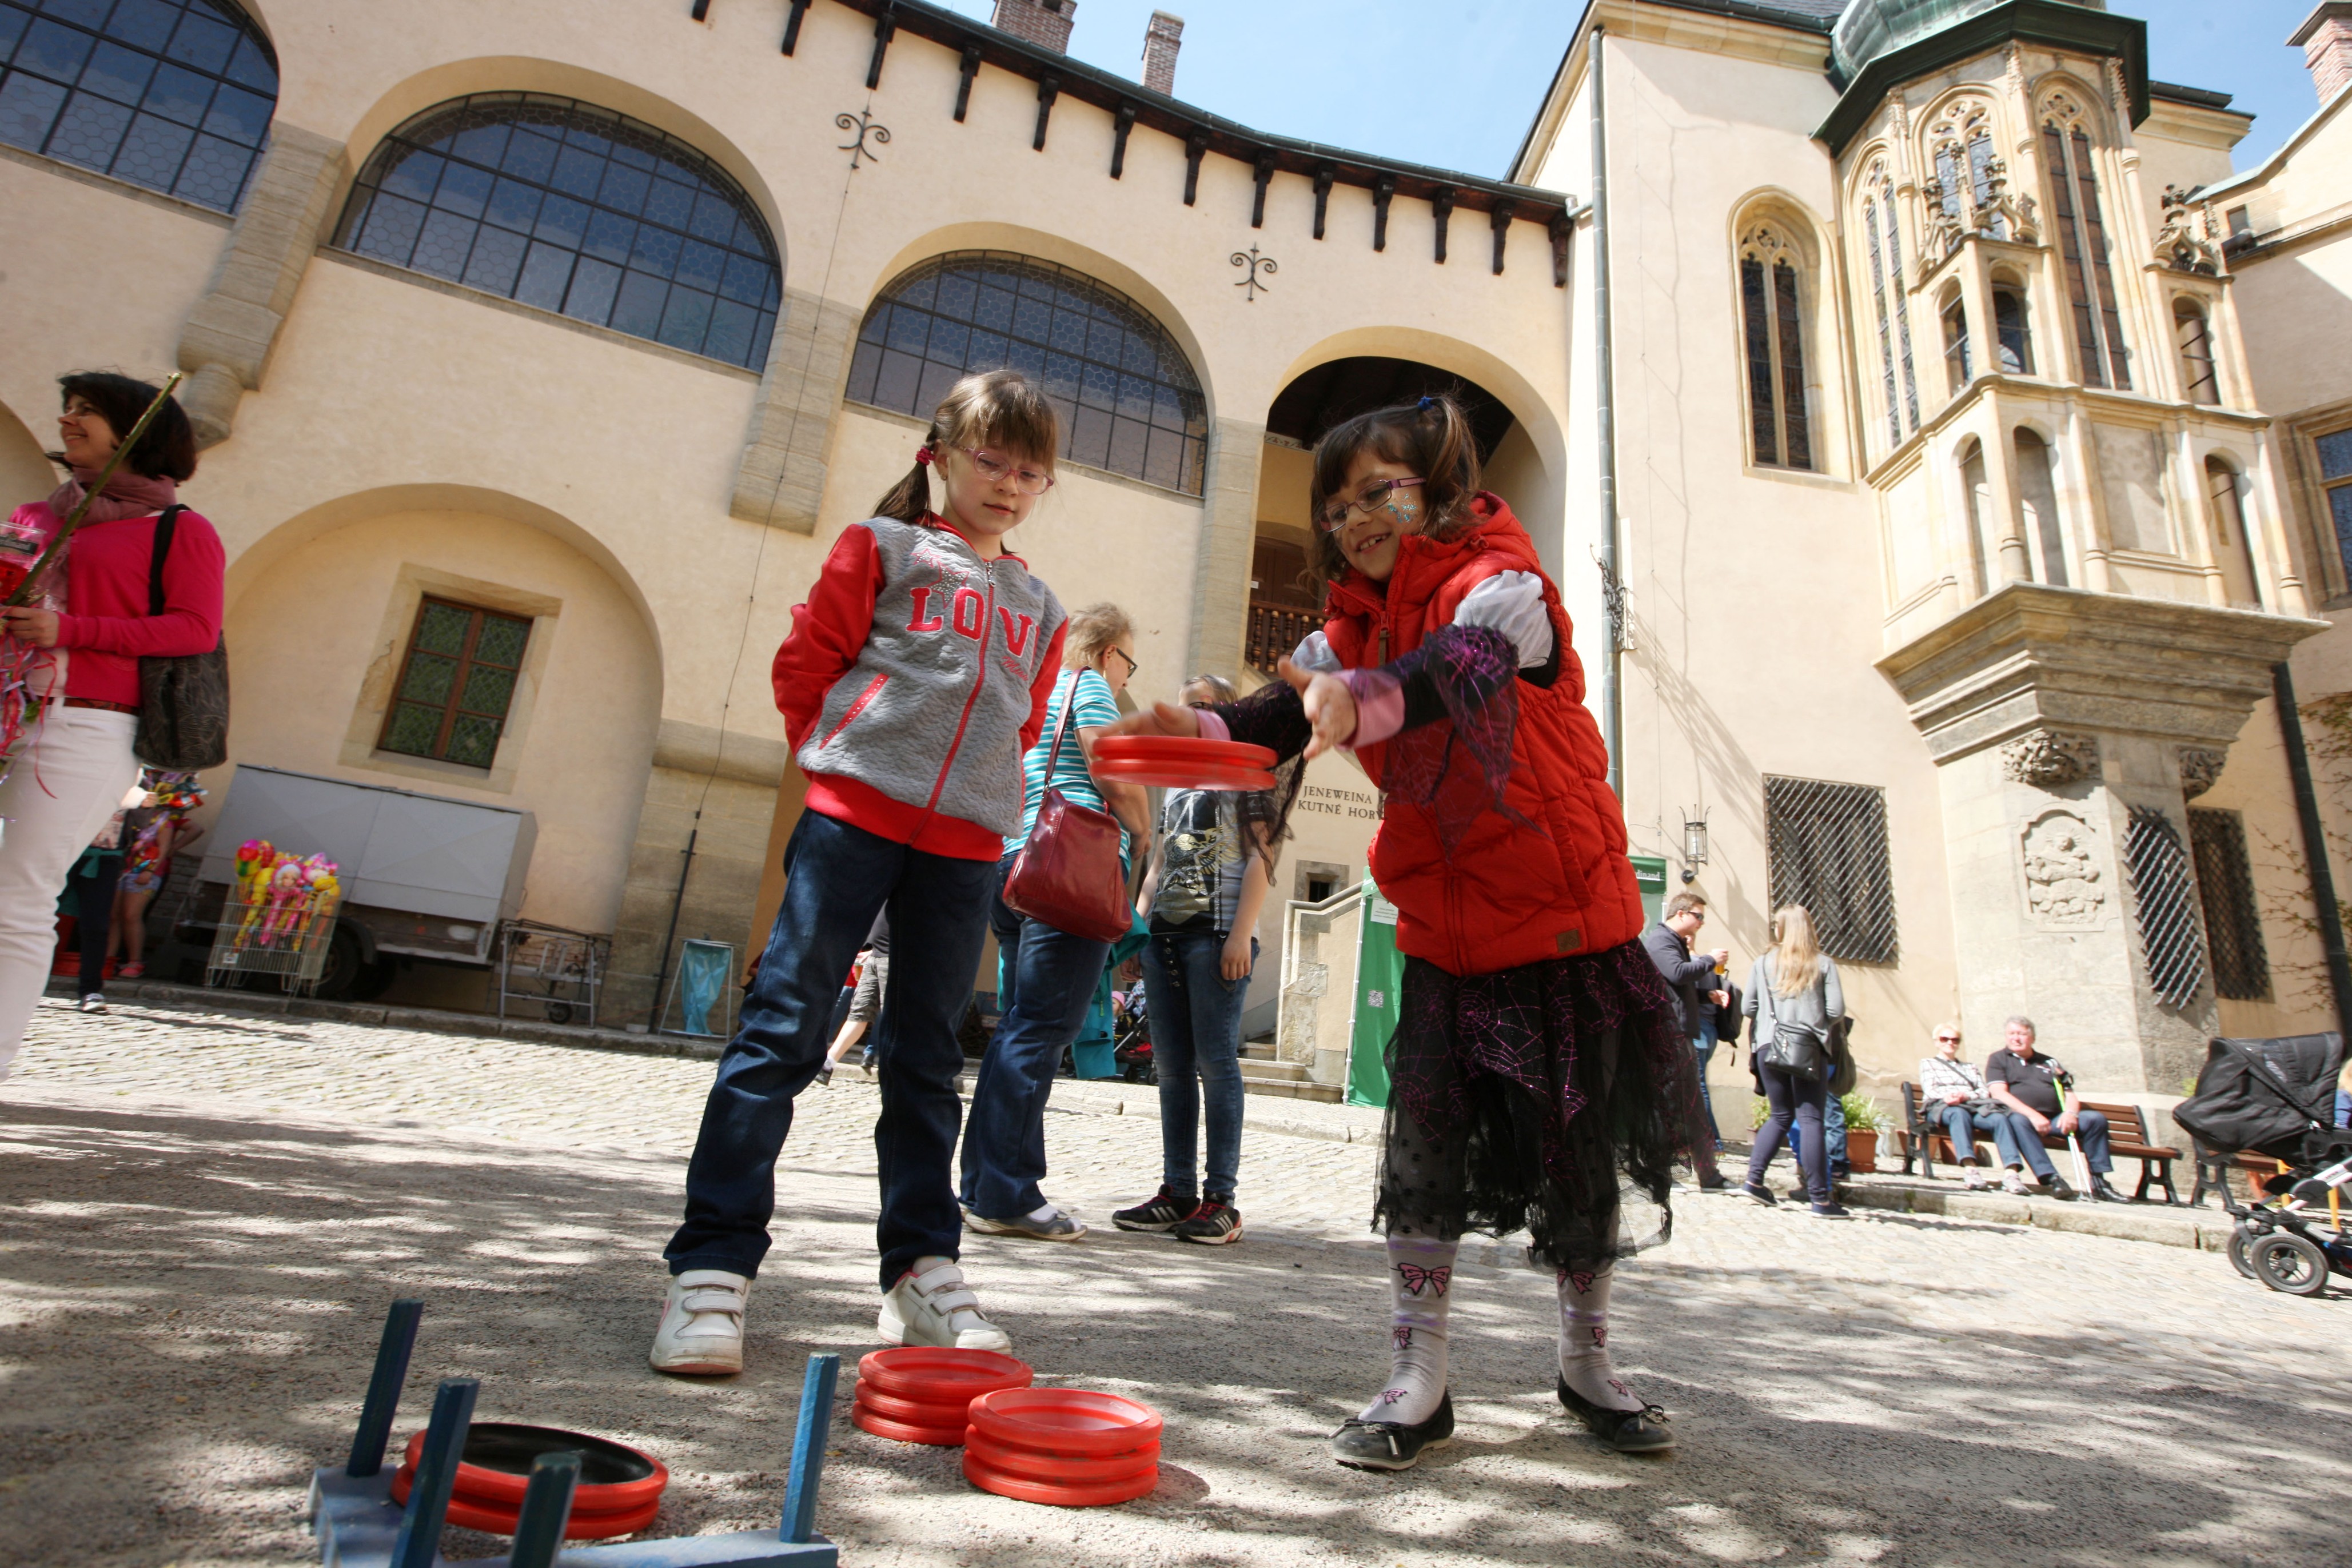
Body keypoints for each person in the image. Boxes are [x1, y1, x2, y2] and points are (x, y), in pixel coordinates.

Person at [1105, 393, 1699, 1466]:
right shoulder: (1345, 633)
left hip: (1567, 928)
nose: (1355, 519)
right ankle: (1416, 1377)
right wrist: (1193, 726)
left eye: (1377, 489)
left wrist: (1362, 700)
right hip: (1443, 935)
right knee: (1422, 1159)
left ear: (1439, 485)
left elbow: (1460, 669)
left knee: (1576, 1164)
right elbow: (1272, 718)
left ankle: (1587, 1363)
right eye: (1335, 508)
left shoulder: (1505, 584)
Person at [651, 370, 1071, 1377]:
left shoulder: (1042, 604)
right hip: (850, 823)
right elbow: (806, 664)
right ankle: (711, 1266)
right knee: (782, 1030)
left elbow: (1020, 723)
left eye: (1030, 472)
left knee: (926, 1060)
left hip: (964, 849)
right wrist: (836, 761)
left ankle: (920, 1270)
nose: (1008, 484)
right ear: (941, 454)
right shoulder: (879, 547)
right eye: (991, 460)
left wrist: (975, 796)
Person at [0, 373, 222, 1078]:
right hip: (10, 709)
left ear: (137, 432)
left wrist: (71, 629)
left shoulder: (178, 530)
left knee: (19, 896)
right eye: (67, 407)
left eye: (88, 411)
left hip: (86, 728)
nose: (68, 419)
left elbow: (193, 629)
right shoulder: (37, 516)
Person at [958, 601, 1150, 1240]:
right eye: (1128, 662)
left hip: (1014, 863)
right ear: (1107, 653)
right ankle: (1007, 1194)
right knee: (1041, 1030)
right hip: (1068, 872)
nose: (1125, 676)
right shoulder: (1090, 687)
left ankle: (983, 1184)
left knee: (1018, 1027)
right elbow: (1108, 768)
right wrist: (1143, 829)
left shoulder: (1038, 691)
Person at [1112, 673, 1280, 1246]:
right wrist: (1139, 928)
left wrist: (1240, 935)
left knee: (1216, 1063)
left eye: (1206, 707)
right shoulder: (1178, 783)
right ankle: (1178, 1192)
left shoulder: (1251, 774)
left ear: (1229, 713)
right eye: (1188, 709)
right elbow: (1159, 862)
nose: (1194, 718)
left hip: (1217, 938)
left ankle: (1221, 1200)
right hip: (1165, 939)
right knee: (1172, 1067)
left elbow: (1262, 858)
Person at [1740, 905, 1847, 1218]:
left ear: (1781, 928)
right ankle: (1820, 1199)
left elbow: (1748, 1008)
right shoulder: (1823, 964)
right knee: (1811, 1118)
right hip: (1807, 1048)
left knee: (1780, 1114)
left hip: (1769, 1046)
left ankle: (1754, 1181)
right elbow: (1836, 1010)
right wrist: (1810, 1020)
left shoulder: (1763, 963)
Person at [1640, 892, 1731, 1189]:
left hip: (1679, 1032)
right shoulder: (1660, 941)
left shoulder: (1674, 942)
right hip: (1671, 1033)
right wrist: (1710, 960)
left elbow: (1677, 986)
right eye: (1698, 916)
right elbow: (1678, 974)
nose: (1701, 922)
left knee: (1686, 1106)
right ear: (1680, 914)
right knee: (1674, 1105)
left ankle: (1703, 1174)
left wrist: (1706, 995)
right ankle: (1661, 1171)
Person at [1983, 1016, 2122, 1202]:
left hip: (2056, 1119)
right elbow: (1999, 1093)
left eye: (2021, 1034)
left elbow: (2069, 1094)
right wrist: (2033, 1115)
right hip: (2025, 1119)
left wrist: (2070, 1114)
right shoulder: (1998, 1059)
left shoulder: (2049, 1063)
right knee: (2017, 1120)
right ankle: (2053, 1179)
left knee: (2095, 1119)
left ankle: (2099, 1183)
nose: (2016, 1038)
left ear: (2032, 1038)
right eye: (2012, 1034)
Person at [1916, 1021, 2030, 1193]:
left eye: (1955, 1040)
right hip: (1942, 1107)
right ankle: (1971, 1170)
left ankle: (2012, 1174)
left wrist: (1965, 1096)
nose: (1950, 1043)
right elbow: (1931, 1090)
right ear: (1937, 1041)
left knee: (1999, 1119)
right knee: (1959, 1114)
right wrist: (1949, 1097)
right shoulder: (1928, 1063)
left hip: (1971, 1107)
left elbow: (1983, 1092)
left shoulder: (1970, 1068)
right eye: (1945, 1039)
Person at [111, 768, 204, 978]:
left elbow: (195, 829)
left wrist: (172, 849)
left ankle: (134, 961)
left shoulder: (166, 819)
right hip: (124, 867)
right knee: (115, 916)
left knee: (131, 915)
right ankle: (108, 959)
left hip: (148, 870)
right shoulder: (133, 814)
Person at [816, 910, 889, 1087]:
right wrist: (872, 950)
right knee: (858, 1014)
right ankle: (827, 1065)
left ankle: (897, 1077)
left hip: (893, 959)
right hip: (875, 956)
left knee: (893, 1017)